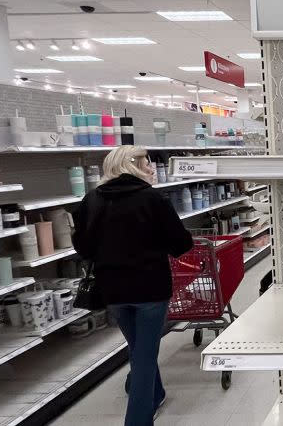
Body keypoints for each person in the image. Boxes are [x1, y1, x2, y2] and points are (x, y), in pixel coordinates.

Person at [72, 145, 193, 425]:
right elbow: (181, 244)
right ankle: (138, 419)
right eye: (147, 163)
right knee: (145, 355)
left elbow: (83, 246)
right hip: (149, 288)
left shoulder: (91, 200)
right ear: (133, 165)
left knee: (139, 347)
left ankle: (156, 392)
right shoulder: (152, 199)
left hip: (113, 289)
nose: (152, 168)